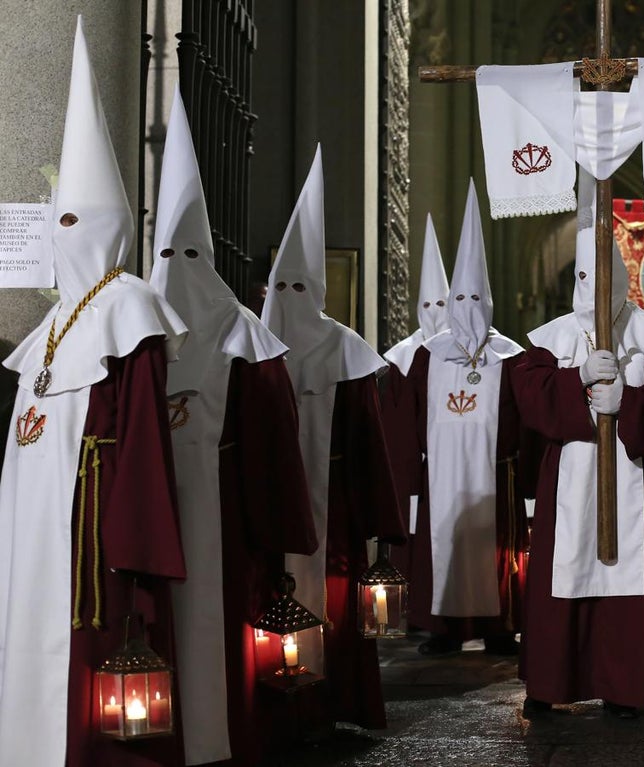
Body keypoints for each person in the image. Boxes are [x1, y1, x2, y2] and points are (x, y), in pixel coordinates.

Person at [0, 18, 188, 766]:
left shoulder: (129, 309)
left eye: (78, 219)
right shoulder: (47, 325)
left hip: (92, 542)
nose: (66, 231)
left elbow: (141, 441)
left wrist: (136, 559)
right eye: (59, 220)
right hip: (34, 525)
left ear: (107, 227)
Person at [150, 86, 316, 766]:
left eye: (186, 257)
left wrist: (273, 537)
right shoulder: (132, 324)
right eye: (169, 259)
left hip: (219, 520)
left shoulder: (242, 333)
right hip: (159, 515)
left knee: (211, 643)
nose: (177, 274)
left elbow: (273, 444)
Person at [513, 172, 644, 719]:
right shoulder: (552, 336)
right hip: (571, 469)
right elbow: (527, 393)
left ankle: (626, 682)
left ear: (620, 277)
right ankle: (552, 679)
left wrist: (627, 405)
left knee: (626, 571)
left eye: (604, 277)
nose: (596, 289)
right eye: (586, 277)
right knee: (565, 565)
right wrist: (576, 383)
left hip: (635, 471)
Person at [262, 144, 405, 729]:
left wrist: (379, 523)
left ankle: (331, 702)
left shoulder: (344, 348)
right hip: (268, 507)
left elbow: (368, 439)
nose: (291, 300)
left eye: (302, 288)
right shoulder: (248, 343)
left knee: (336, 600)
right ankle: (272, 706)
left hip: (332, 505)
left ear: (318, 290)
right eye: (282, 286)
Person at [388, 180, 527, 657]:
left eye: (474, 300)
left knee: (496, 553)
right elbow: (408, 422)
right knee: (442, 543)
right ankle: (444, 626)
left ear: (487, 300)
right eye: (458, 301)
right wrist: (407, 484)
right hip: (441, 474)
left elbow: (524, 421)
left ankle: (498, 627)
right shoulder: (427, 356)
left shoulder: (512, 357)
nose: (465, 310)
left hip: (496, 477)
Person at [381, 213, 450, 566]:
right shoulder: (403, 357)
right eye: (427, 305)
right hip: (414, 469)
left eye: (441, 304)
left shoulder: (466, 351)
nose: (434, 313)